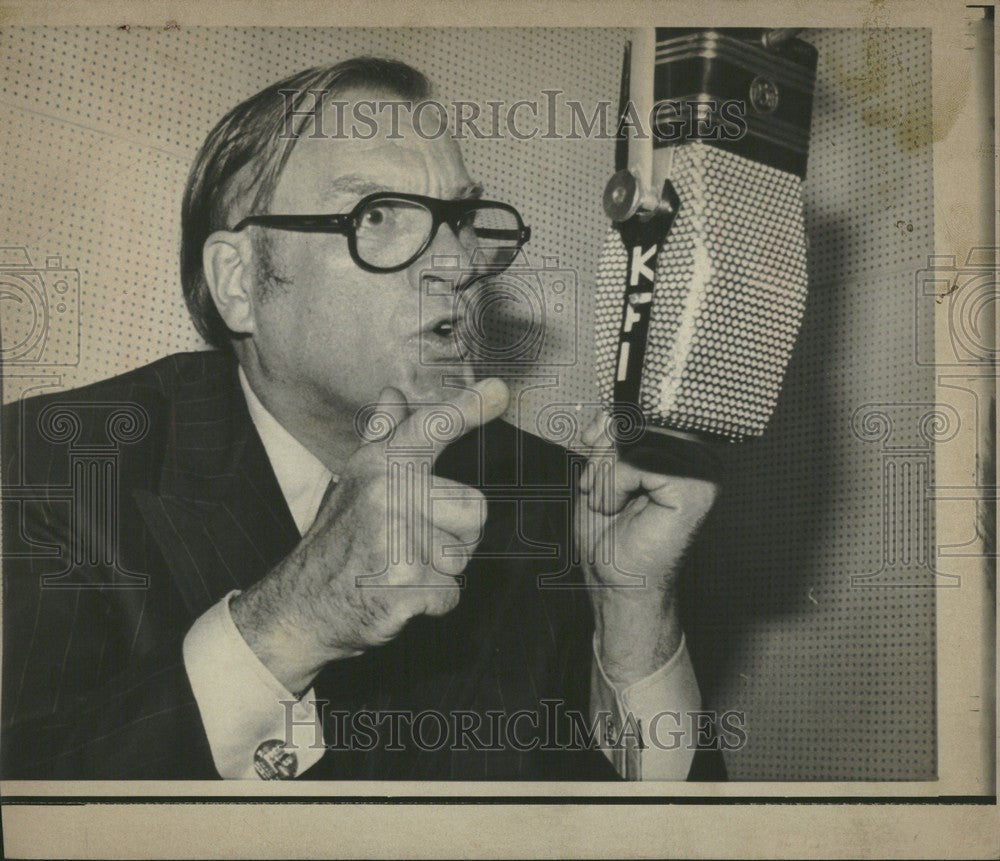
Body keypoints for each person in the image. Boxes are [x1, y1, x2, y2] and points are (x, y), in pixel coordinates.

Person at [1, 56, 723, 781]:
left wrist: (634, 618)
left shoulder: (562, 499)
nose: (456, 264)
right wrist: (293, 620)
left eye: (461, 219)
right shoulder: (52, 469)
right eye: (377, 215)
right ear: (240, 283)